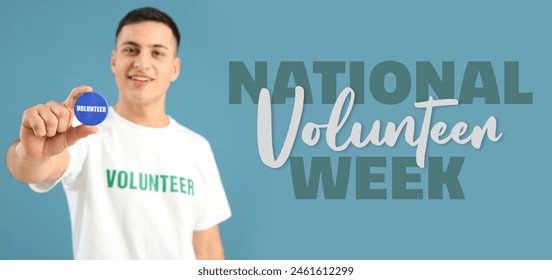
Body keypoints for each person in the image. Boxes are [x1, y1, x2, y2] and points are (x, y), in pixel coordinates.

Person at [6, 7, 231, 260]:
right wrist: (31, 154)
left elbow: (208, 250)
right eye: (130, 49)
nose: (142, 63)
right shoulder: (84, 135)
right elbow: (29, 169)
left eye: (157, 53)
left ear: (175, 68)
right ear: (114, 60)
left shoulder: (196, 147)